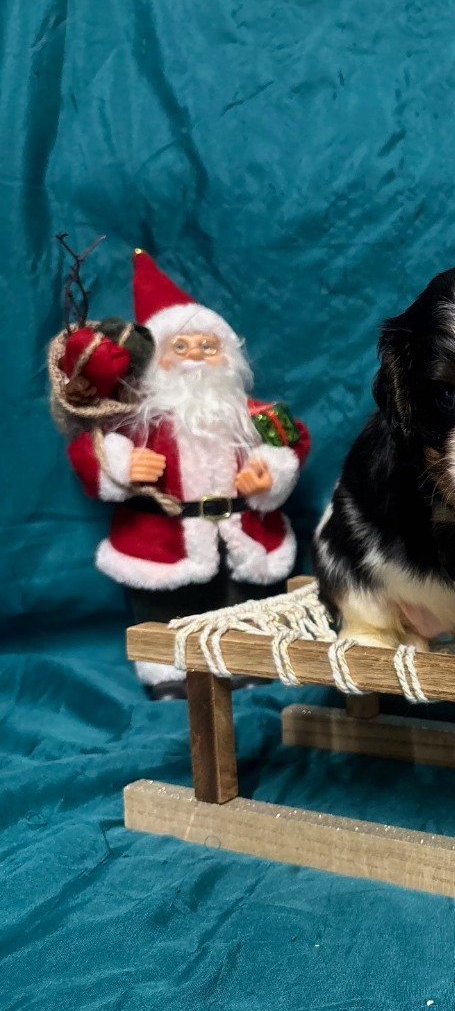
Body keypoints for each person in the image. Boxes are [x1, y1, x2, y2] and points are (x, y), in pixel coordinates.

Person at [68, 251, 309, 698]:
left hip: (242, 536)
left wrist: (271, 470)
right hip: (162, 541)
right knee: (163, 608)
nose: (195, 355)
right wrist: (121, 465)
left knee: (243, 604)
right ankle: (165, 674)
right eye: (180, 347)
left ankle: (247, 662)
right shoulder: (135, 419)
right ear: (155, 358)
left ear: (228, 356)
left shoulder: (254, 414)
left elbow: (292, 440)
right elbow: (89, 448)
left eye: (208, 346)